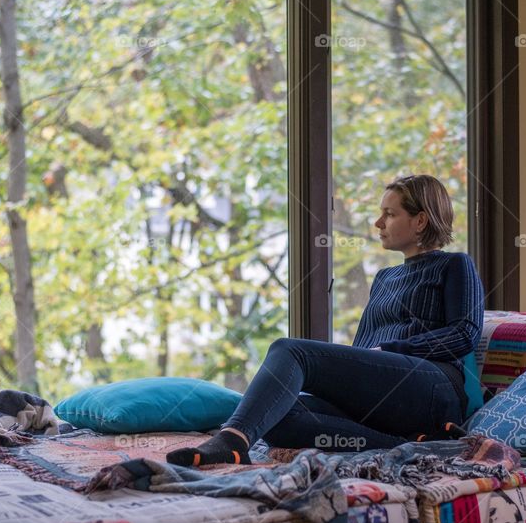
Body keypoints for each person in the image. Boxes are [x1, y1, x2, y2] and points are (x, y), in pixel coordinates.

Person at [168, 174, 485, 467]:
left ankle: (231, 441)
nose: (378, 222)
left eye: (390, 214)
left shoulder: (455, 265)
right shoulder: (385, 278)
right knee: (277, 413)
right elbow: (364, 346)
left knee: (291, 350)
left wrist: (391, 348)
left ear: (420, 221)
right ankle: (412, 445)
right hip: (389, 402)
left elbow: (464, 334)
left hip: (433, 391)